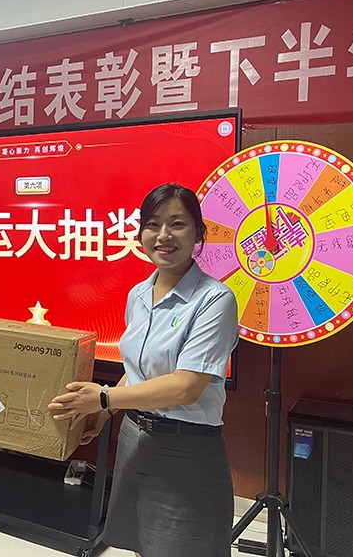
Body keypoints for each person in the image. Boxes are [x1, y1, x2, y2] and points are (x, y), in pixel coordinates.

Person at [48, 183, 238, 557]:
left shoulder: (215, 300)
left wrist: (105, 397)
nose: (163, 235)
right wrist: (105, 413)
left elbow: (186, 387)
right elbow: (136, 369)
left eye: (177, 224)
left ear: (199, 233)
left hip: (186, 448)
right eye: (153, 224)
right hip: (134, 439)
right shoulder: (138, 294)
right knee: (141, 545)